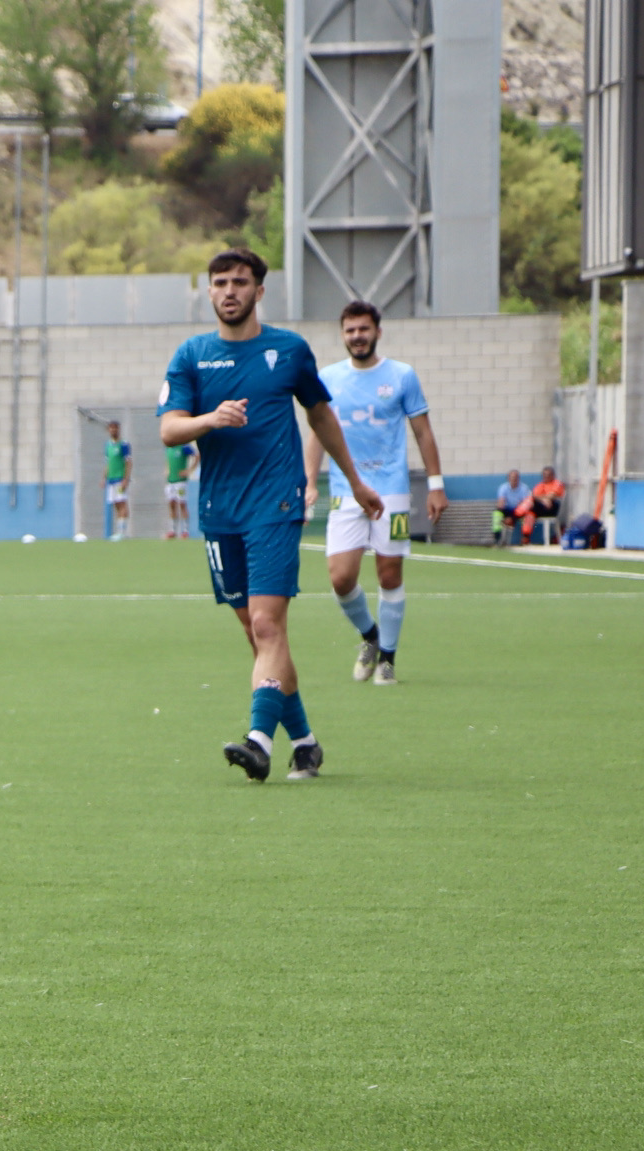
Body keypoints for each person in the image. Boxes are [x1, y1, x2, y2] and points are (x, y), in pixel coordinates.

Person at [159, 248, 380, 783]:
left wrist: (352, 480)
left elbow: (320, 415)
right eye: (219, 283)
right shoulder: (190, 356)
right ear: (208, 292)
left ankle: (258, 741)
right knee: (258, 635)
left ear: (260, 291)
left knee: (266, 623)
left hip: (277, 504)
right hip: (219, 511)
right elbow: (169, 429)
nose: (229, 291)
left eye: (240, 282)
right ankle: (304, 742)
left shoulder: (289, 350)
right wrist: (212, 419)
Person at [302, 299, 447, 688]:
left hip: (392, 493)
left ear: (377, 332)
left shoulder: (401, 376)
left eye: (364, 329)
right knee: (340, 578)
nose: (357, 336)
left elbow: (423, 432)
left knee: (388, 574)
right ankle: (370, 636)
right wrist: (310, 481)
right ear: (343, 335)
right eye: (350, 330)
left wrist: (436, 485)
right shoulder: (328, 378)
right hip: (347, 491)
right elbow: (317, 432)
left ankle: (388, 660)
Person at [102, 419, 133, 540]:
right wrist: (104, 478)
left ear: (118, 429)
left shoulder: (124, 444)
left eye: (115, 428)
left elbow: (129, 462)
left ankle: (122, 532)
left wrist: (126, 479)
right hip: (111, 480)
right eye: (111, 428)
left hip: (120, 479)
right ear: (108, 430)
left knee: (122, 503)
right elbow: (107, 463)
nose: (113, 430)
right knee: (115, 504)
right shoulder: (108, 445)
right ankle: (120, 530)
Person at [164, 440, 196, 538]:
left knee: (182, 504)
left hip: (181, 481)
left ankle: (185, 531)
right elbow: (168, 461)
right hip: (171, 481)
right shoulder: (168, 447)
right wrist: (167, 470)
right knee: (172, 504)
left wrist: (189, 470)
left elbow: (196, 456)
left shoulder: (183, 446)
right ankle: (172, 530)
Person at [525, 468, 564, 544]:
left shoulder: (557, 483)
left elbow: (552, 496)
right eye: (544, 475)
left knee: (531, 505)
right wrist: (544, 500)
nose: (546, 477)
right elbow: (534, 496)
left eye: (548, 475)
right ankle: (526, 536)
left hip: (552, 508)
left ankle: (517, 514)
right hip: (540, 508)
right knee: (529, 513)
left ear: (553, 475)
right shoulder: (540, 485)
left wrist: (543, 498)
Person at [495, 470, 527, 544]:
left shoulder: (524, 488)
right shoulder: (503, 487)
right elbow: (501, 503)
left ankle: (524, 540)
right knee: (497, 513)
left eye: (516, 478)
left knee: (524, 513)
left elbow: (524, 503)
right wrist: (505, 514)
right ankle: (497, 539)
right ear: (508, 478)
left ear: (518, 478)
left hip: (518, 511)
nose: (514, 479)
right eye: (512, 477)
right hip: (507, 509)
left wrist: (512, 517)